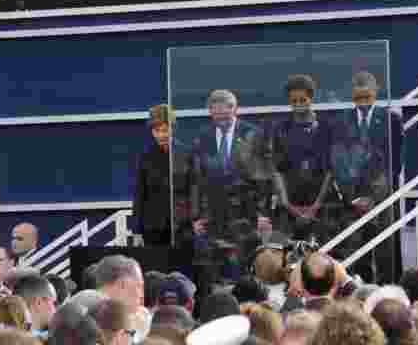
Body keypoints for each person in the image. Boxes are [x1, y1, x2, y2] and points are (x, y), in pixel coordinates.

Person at [191, 90, 270, 281]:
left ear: (235, 109)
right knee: (216, 271)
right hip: (215, 214)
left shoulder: (253, 134)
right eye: (216, 115)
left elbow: (265, 178)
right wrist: (197, 217)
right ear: (210, 112)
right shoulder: (202, 137)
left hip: (247, 212)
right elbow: (196, 180)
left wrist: (263, 214)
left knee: (246, 269)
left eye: (225, 114)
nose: (221, 119)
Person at [330, 71, 401, 284]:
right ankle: (359, 287)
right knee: (355, 245)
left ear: (376, 94)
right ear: (352, 96)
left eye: (367, 97)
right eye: (358, 98)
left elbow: (394, 163)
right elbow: (337, 160)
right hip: (352, 196)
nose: (363, 103)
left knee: (385, 245)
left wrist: (374, 197)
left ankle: (387, 286)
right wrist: (350, 195)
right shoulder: (341, 121)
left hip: (382, 195)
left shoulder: (391, 119)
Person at [272, 76, 334, 243]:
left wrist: (316, 205)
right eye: (294, 100)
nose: (298, 104)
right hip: (290, 203)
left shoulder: (326, 127)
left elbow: (331, 170)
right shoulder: (281, 129)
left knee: (322, 255)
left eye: (303, 100)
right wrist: (286, 203)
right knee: (285, 256)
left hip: (320, 203)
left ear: (311, 98)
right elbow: (277, 169)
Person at [133, 104, 197, 249]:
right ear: (152, 131)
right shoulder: (146, 157)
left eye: (165, 130)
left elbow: (195, 190)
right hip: (153, 229)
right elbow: (139, 194)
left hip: (182, 227)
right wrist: (137, 231)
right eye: (157, 131)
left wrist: (195, 220)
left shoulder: (187, 154)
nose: (161, 135)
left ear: (173, 129)